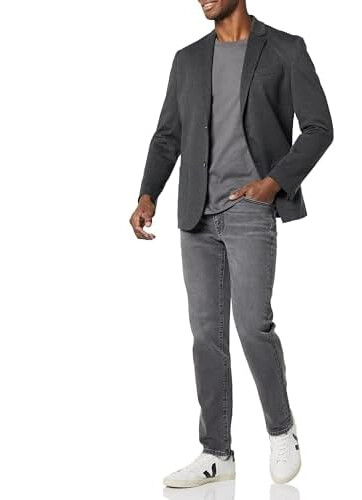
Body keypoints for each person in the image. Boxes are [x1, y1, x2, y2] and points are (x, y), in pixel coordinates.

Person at [129, 0, 333, 488]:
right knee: (206, 335)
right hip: (196, 214)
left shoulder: (284, 50)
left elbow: (319, 128)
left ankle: (281, 429)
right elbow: (168, 136)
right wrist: (148, 193)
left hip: (249, 208)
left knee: (252, 325)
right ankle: (216, 452)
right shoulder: (187, 60)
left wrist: (273, 182)